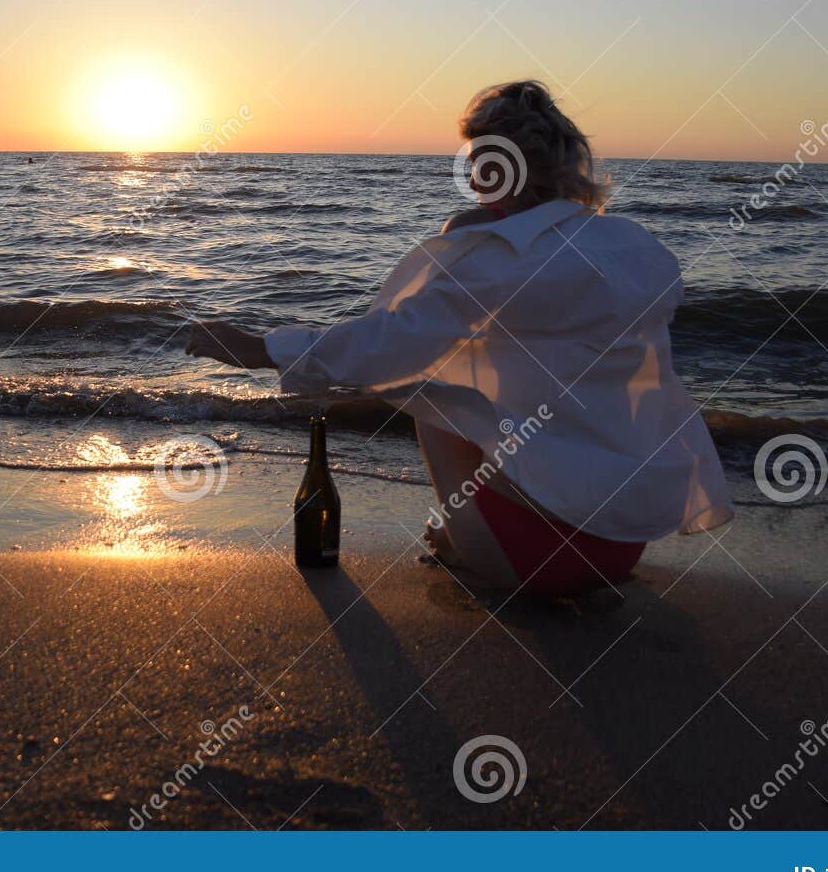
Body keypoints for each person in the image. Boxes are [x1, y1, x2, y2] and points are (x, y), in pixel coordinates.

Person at [185, 80, 732, 595]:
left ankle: (468, 544)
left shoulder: (496, 257)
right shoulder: (639, 249)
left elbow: (395, 343)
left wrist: (262, 348)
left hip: (535, 560)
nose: (470, 182)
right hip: (623, 542)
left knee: (431, 396)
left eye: (478, 165)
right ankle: (474, 533)